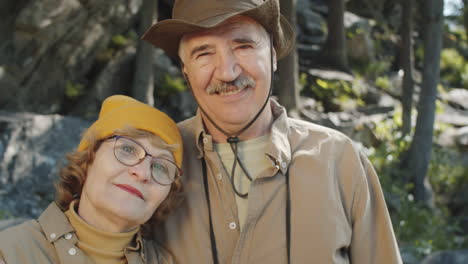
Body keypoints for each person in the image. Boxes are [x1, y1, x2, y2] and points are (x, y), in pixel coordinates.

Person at [142, 0, 403, 263]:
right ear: (186, 70)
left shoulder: (340, 160)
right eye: (204, 53)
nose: (227, 72)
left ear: (273, 55)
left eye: (243, 46)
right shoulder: (154, 162)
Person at [0, 95, 183, 264]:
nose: (143, 173)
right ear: (88, 160)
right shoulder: (10, 252)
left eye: (161, 167)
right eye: (127, 149)